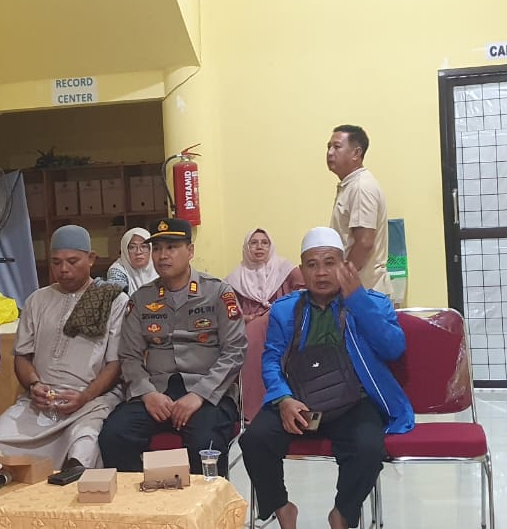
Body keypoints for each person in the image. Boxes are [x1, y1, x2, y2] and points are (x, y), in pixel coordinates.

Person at [239, 227, 413, 529]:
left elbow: (393, 348)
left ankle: (343, 513)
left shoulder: (373, 302)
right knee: (254, 440)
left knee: (369, 448)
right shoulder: (285, 309)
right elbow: (271, 359)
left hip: (354, 401)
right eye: (312, 264)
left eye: (330, 263)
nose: (321, 272)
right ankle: (282, 508)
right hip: (299, 402)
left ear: (344, 266)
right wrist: (283, 399)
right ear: (302, 269)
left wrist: (357, 300)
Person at [98, 218, 246, 476]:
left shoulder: (218, 293)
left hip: (207, 393)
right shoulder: (141, 299)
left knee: (206, 443)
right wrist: (147, 394)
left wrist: (199, 395)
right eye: (157, 248)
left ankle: (202, 503)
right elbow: (129, 355)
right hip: (156, 391)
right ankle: (144, 499)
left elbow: (235, 351)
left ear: (190, 251)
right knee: (114, 435)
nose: (162, 255)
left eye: (171, 247)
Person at [0, 225, 126, 470]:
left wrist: (85, 396)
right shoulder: (37, 300)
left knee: (82, 452)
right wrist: (34, 385)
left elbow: (115, 364)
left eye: (72, 261)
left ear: (91, 259)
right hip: (38, 404)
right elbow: (22, 356)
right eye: (56, 262)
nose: (63, 269)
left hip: (90, 403)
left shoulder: (114, 301)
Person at [326, 125, 393, 298]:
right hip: (358, 291)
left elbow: (364, 242)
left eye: (337, 147)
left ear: (356, 153)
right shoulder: (350, 185)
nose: (330, 152)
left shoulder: (361, 186)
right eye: (329, 147)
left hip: (364, 292)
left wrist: (341, 282)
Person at [226, 228, 304, 320]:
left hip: (284, 322)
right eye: (254, 243)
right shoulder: (236, 278)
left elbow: (306, 295)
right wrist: (244, 318)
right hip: (250, 325)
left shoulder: (285, 269)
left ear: (271, 247)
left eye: (264, 243)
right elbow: (228, 311)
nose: (259, 247)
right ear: (246, 247)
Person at [105, 227, 156, 294]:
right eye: (132, 247)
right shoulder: (117, 270)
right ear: (125, 250)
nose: (138, 252)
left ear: (151, 249)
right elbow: (118, 297)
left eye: (144, 246)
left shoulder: (159, 266)